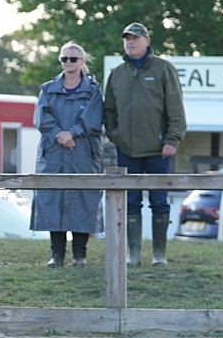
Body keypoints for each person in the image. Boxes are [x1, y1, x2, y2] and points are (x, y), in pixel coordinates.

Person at [104, 22, 187, 267]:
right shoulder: (117, 74)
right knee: (130, 201)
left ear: (147, 41)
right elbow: (109, 110)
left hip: (159, 150)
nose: (131, 42)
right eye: (127, 38)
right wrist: (115, 136)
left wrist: (172, 139)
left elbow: (176, 109)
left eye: (136, 38)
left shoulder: (163, 68)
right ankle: (133, 254)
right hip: (127, 150)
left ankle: (159, 254)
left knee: (159, 200)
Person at [29, 42, 104, 268]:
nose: (69, 62)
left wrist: (72, 133)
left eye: (73, 58)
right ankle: (57, 255)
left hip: (83, 153)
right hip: (54, 153)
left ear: (82, 62)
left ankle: (80, 255)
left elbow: (94, 119)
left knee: (83, 199)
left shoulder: (93, 90)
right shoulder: (48, 89)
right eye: (64, 58)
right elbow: (41, 118)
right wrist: (59, 135)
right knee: (54, 199)